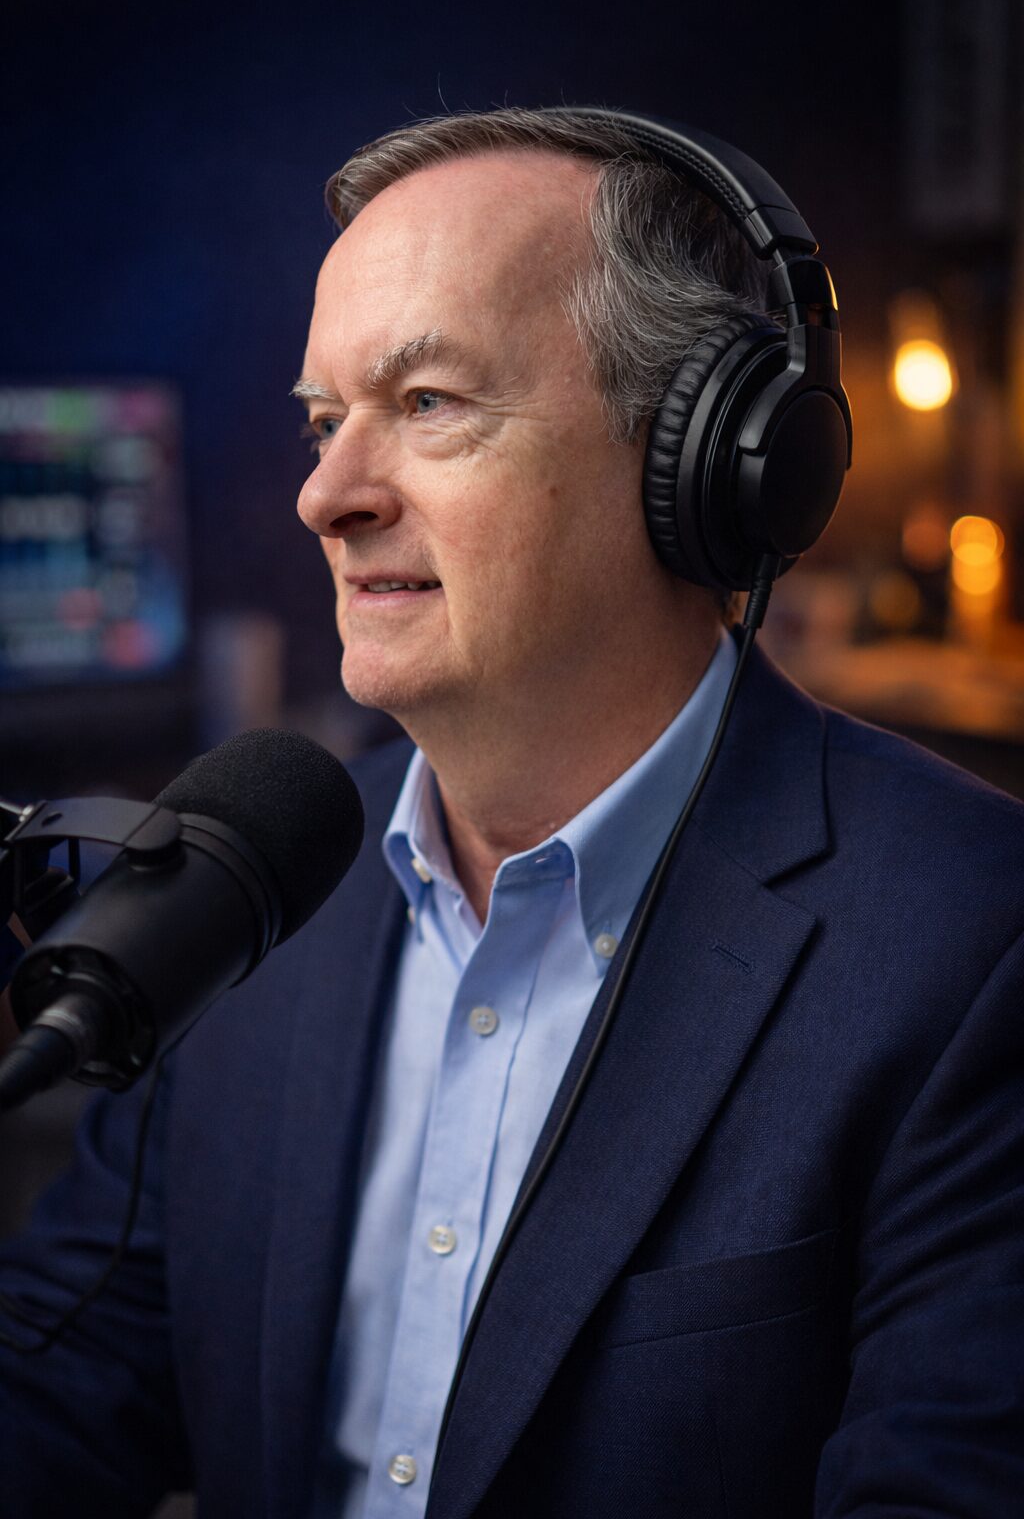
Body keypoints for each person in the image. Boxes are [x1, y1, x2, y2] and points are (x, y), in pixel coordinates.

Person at [2, 107, 1023, 1519]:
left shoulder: (974, 946)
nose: (325, 495)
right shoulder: (252, 897)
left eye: (426, 406)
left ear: (703, 463)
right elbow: (56, 1387)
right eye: (321, 420)